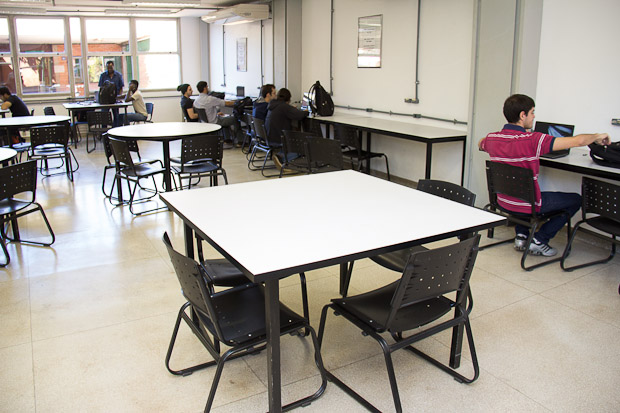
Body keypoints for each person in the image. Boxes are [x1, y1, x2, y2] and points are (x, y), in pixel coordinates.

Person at [479, 94, 611, 256]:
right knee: (576, 199)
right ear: (522, 115)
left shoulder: (492, 138)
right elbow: (577, 141)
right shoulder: (534, 140)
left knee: (521, 190)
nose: (534, 116)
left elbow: (481, 143)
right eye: (532, 112)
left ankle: (522, 235)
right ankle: (540, 239)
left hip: (503, 201)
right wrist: (597, 136)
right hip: (528, 205)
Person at [98, 60, 124, 127]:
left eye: (111, 67)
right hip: (105, 100)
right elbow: (101, 88)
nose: (110, 69)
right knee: (104, 117)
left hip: (115, 99)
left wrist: (119, 97)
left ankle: (115, 130)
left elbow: (121, 87)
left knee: (116, 116)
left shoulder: (118, 75)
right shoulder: (103, 76)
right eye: (108, 67)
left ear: (113, 66)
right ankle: (104, 132)